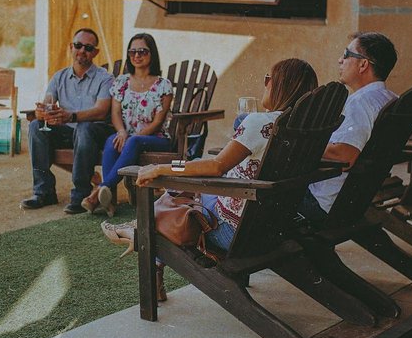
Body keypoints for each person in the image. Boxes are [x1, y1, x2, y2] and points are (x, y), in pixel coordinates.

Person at [102, 58, 319, 298]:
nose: (265, 84)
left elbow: (215, 166)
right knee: (185, 187)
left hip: (232, 232)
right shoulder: (308, 130)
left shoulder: (260, 122)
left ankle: (138, 231)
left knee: (177, 192)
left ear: (281, 87)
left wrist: (162, 168)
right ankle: (138, 231)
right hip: (275, 226)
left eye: (269, 79)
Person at [298, 31, 398, 224]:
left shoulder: (360, 103)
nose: (340, 60)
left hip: (323, 202)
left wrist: (302, 146)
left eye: (346, 55)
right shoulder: (390, 100)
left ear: (363, 64)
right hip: (355, 198)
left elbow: (344, 156)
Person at [21, 29, 115, 214]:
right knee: (35, 126)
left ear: (95, 52)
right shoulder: (59, 77)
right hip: (66, 131)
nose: (82, 51)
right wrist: (42, 112)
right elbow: (48, 102)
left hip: (94, 132)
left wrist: (71, 116)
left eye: (88, 48)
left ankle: (80, 194)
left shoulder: (105, 78)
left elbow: (101, 111)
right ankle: (44, 192)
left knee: (84, 128)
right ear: (71, 47)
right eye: (78, 45)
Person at [81, 33, 173, 217]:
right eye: (132, 52)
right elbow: (115, 113)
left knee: (133, 142)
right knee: (112, 140)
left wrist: (132, 137)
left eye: (142, 51)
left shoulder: (163, 85)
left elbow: (158, 122)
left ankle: (100, 190)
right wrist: (122, 132)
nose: (136, 56)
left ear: (152, 54)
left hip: (157, 139)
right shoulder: (122, 82)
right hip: (128, 137)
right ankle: (109, 201)